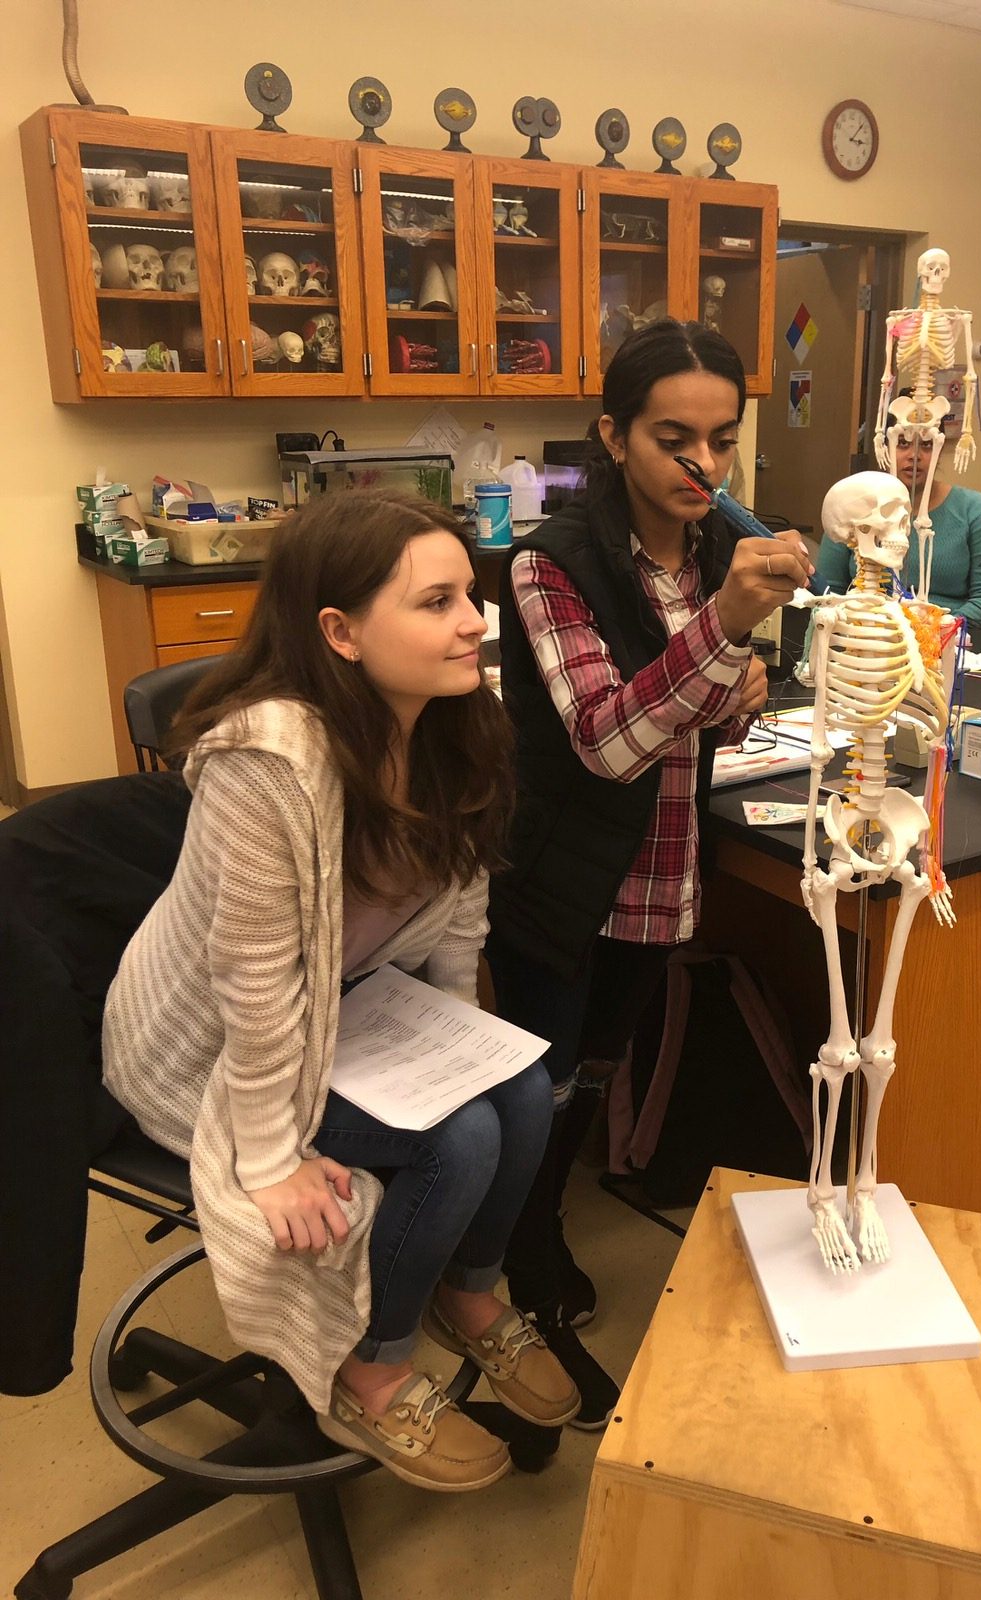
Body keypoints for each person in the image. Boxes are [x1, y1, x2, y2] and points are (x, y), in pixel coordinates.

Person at [102, 492, 578, 1495]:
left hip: (342, 1003)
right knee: (461, 1140)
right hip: (205, 1044)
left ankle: (469, 1293)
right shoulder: (270, 762)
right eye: (438, 602)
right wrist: (270, 1158)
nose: (475, 622)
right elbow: (252, 981)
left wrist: (465, 1043)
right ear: (340, 632)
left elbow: (459, 913)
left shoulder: (452, 725)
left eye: (472, 595)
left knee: (524, 1090)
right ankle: (371, 1369)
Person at [485, 319, 813, 1426]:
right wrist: (730, 630)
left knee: (591, 1074)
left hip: (664, 871)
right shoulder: (550, 563)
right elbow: (608, 739)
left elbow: (711, 709)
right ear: (613, 434)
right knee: (535, 1090)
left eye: (721, 439)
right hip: (561, 878)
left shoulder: (713, 550)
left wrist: (739, 680)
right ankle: (510, 1277)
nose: (703, 466)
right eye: (675, 439)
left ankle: (537, 1235)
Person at [816, 414, 981, 628]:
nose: (914, 455)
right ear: (884, 446)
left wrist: (941, 629)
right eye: (902, 443)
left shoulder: (974, 510)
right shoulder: (854, 506)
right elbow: (827, 591)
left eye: (926, 445)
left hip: (949, 633)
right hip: (864, 629)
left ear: (939, 448)